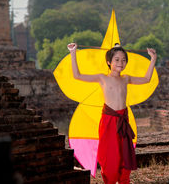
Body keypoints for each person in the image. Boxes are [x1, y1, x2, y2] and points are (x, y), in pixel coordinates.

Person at [67, 42, 157, 184]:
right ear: (109, 62)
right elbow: (77, 75)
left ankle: (123, 180)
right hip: (108, 122)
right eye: (116, 59)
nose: (120, 62)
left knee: (124, 154)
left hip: (123, 121)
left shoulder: (126, 78)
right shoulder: (103, 78)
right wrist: (73, 53)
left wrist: (153, 59)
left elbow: (146, 79)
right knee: (109, 155)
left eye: (123, 60)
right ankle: (110, 181)